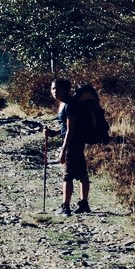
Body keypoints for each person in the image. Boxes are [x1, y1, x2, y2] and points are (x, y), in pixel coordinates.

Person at [44, 77, 90, 217]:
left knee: (67, 175)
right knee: (82, 172)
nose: (54, 91)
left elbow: (70, 130)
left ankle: (66, 207)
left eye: (57, 88)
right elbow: (66, 128)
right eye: (52, 88)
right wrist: (53, 133)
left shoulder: (69, 105)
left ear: (65, 89)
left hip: (73, 144)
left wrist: (63, 151)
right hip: (75, 142)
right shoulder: (63, 104)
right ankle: (84, 204)